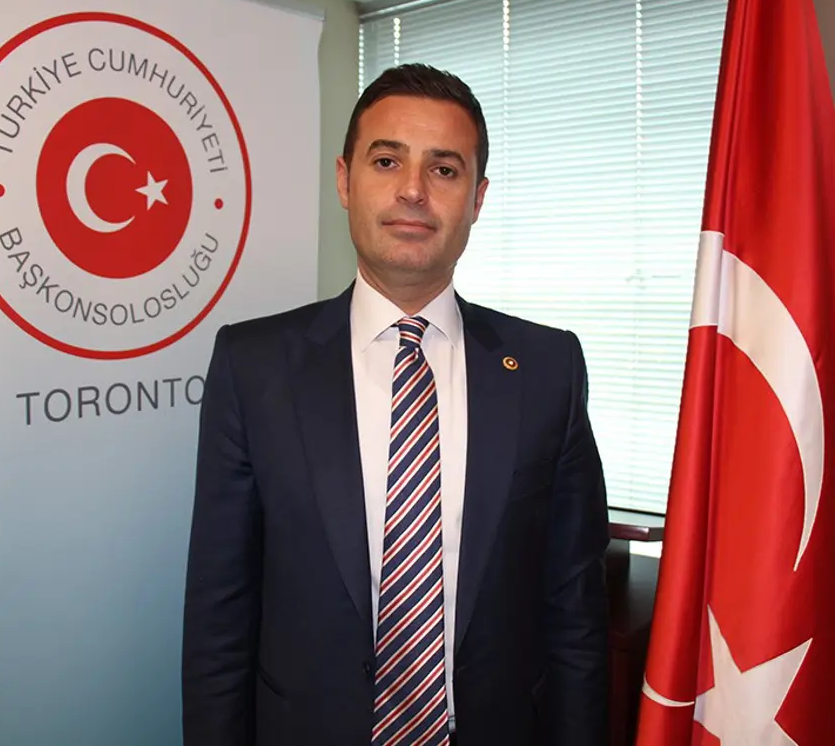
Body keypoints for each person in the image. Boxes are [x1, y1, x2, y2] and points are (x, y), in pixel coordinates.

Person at [182, 63, 610, 746]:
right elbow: (219, 615)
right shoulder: (253, 365)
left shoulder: (548, 368)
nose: (413, 189)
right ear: (345, 180)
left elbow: (575, 611)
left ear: (477, 198)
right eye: (387, 161)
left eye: (444, 169)